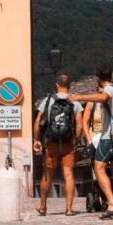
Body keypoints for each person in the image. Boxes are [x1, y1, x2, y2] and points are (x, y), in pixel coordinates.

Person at [71, 66, 113, 219]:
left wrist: (80, 97)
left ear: (98, 78)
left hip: (107, 136)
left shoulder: (109, 89)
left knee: (99, 168)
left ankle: (112, 203)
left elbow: (104, 97)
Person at [33, 74, 85, 216]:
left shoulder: (48, 100)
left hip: (52, 143)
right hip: (68, 143)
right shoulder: (75, 102)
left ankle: (42, 206)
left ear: (57, 85)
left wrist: (36, 140)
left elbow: (38, 122)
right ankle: (69, 209)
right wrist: (76, 140)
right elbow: (79, 126)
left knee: (47, 175)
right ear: (70, 86)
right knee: (68, 175)